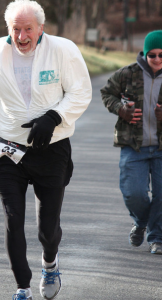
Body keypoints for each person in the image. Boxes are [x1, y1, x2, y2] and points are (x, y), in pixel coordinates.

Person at [0, 0, 92, 298]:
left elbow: (81, 90)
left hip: (52, 148)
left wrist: (54, 117)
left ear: (41, 28)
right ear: (8, 28)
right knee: (12, 218)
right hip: (8, 146)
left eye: (28, 29)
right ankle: (23, 286)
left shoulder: (62, 50)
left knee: (47, 228)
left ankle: (50, 262)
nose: (21, 37)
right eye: (15, 29)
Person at [100, 30, 162, 255]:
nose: (157, 59)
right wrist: (121, 110)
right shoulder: (127, 74)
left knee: (161, 195)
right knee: (132, 193)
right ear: (145, 53)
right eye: (152, 55)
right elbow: (107, 93)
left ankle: (157, 238)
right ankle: (141, 221)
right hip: (133, 146)